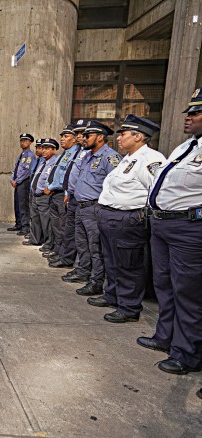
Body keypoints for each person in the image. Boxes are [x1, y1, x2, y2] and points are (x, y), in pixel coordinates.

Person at [139, 88, 202, 374]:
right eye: (188, 113)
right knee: (164, 284)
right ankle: (165, 337)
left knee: (187, 292)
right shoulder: (186, 146)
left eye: (196, 113)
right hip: (162, 224)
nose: (188, 118)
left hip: (189, 227)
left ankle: (187, 353)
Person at [84, 115, 165, 323]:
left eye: (124, 134)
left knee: (128, 265)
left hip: (128, 219)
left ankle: (129, 307)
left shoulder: (151, 159)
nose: (119, 138)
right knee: (112, 261)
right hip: (110, 217)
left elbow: (158, 191)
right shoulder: (128, 159)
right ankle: (112, 296)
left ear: (138, 136)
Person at [67, 120, 122, 296]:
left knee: (95, 247)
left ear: (100, 137)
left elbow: (117, 184)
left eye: (87, 136)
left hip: (95, 208)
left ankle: (96, 281)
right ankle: (83, 272)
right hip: (81, 206)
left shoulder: (110, 157)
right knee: (82, 244)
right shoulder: (88, 156)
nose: (83, 139)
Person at [47, 123, 83, 268]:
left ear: (74, 139)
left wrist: (64, 190)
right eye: (61, 136)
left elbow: (69, 176)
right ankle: (59, 251)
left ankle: (66, 256)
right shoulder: (66, 153)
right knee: (57, 226)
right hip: (55, 192)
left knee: (64, 228)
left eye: (66, 136)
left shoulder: (77, 152)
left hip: (63, 193)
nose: (62, 139)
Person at [32, 138, 60, 254]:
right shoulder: (43, 162)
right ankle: (41, 240)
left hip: (45, 195)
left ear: (54, 150)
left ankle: (49, 243)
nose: (44, 151)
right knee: (37, 219)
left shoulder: (55, 162)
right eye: (43, 148)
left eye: (47, 148)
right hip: (36, 195)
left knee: (47, 222)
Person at [10, 133, 35, 236]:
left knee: (23, 205)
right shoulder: (22, 155)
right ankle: (18, 224)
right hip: (17, 183)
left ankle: (25, 227)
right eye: (21, 140)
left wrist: (17, 181)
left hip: (23, 182)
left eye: (25, 140)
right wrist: (12, 179)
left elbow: (26, 171)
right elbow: (16, 169)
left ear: (30, 142)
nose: (22, 142)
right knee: (17, 203)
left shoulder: (30, 155)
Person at [24, 139, 45, 245]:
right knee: (34, 216)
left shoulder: (45, 161)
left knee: (40, 218)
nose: (38, 150)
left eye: (40, 148)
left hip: (41, 192)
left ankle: (38, 238)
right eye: (37, 147)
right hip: (33, 190)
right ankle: (34, 237)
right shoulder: (37, 160)